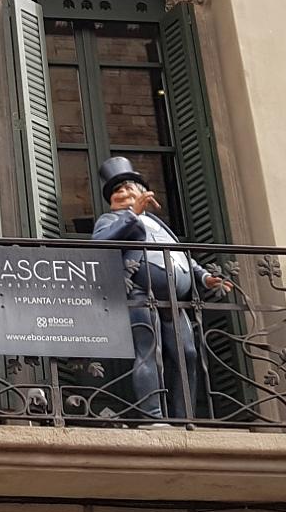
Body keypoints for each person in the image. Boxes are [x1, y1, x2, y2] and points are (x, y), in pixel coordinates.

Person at [90, 155, 232, 424]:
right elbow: (100, 244)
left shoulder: (158, 223)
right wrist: (132, 215)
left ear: (143, 192)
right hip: (141, 295)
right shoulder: (111, 219)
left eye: (128, 188)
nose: (122, 193)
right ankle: (152, 414)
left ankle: (185, 417)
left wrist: (204, 278)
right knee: (149, 351)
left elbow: (181, 255)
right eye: (117, 191)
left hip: (174, 300)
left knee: (187, 353)